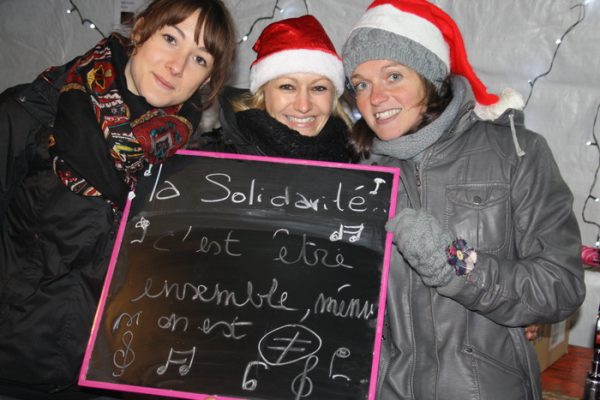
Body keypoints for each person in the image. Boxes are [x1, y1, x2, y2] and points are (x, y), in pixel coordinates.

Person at [341, 0, 586, 399]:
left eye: (393, 76)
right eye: (361, 84)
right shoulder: (358, 172)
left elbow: (561, 286)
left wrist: (454, 262)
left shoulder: (515, 153)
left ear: (431, 78)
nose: (376, 97)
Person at [0, 0, 235, 398]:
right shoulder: (32, 114)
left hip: (116, 378)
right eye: (170, 39)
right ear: (139, 31)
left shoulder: (191, 165)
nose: (177, 66)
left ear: (208, 79)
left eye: (199, 59)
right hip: (14, 371)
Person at [210, 15, 357, 162]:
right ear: (263, 92)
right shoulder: (215, 161)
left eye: (318, 88)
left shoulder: (356, 159)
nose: (304, 106)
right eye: (288, 87)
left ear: (333, 96)